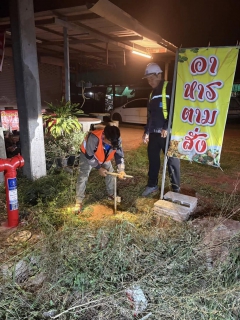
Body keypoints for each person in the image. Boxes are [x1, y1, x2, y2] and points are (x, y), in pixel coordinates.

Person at [141, 62, 180, 196]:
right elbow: (150, 115)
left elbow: (176, 108)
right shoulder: (151, 94)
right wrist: (146, 131)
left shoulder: (170, 88)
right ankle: (152, 185)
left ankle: (176, 188)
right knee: (153, 160)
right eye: (148, 79)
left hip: (167, 133)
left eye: (152, 77)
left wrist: (167, 126)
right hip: (154, 133)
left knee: (172, 160)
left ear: (159, 75)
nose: (150, 81)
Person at [75, 125, 126, 213]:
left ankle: (111, 194)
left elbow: (119, 155)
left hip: (103, 156)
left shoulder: (116, 140)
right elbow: (89, 157)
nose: (111, 145)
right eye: (110, 143)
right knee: (83, 175)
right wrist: (99, 168)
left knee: (110, 172)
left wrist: (121, 170)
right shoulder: (93, 138)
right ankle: (79, 201)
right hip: (87, 156)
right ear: (104, 136)